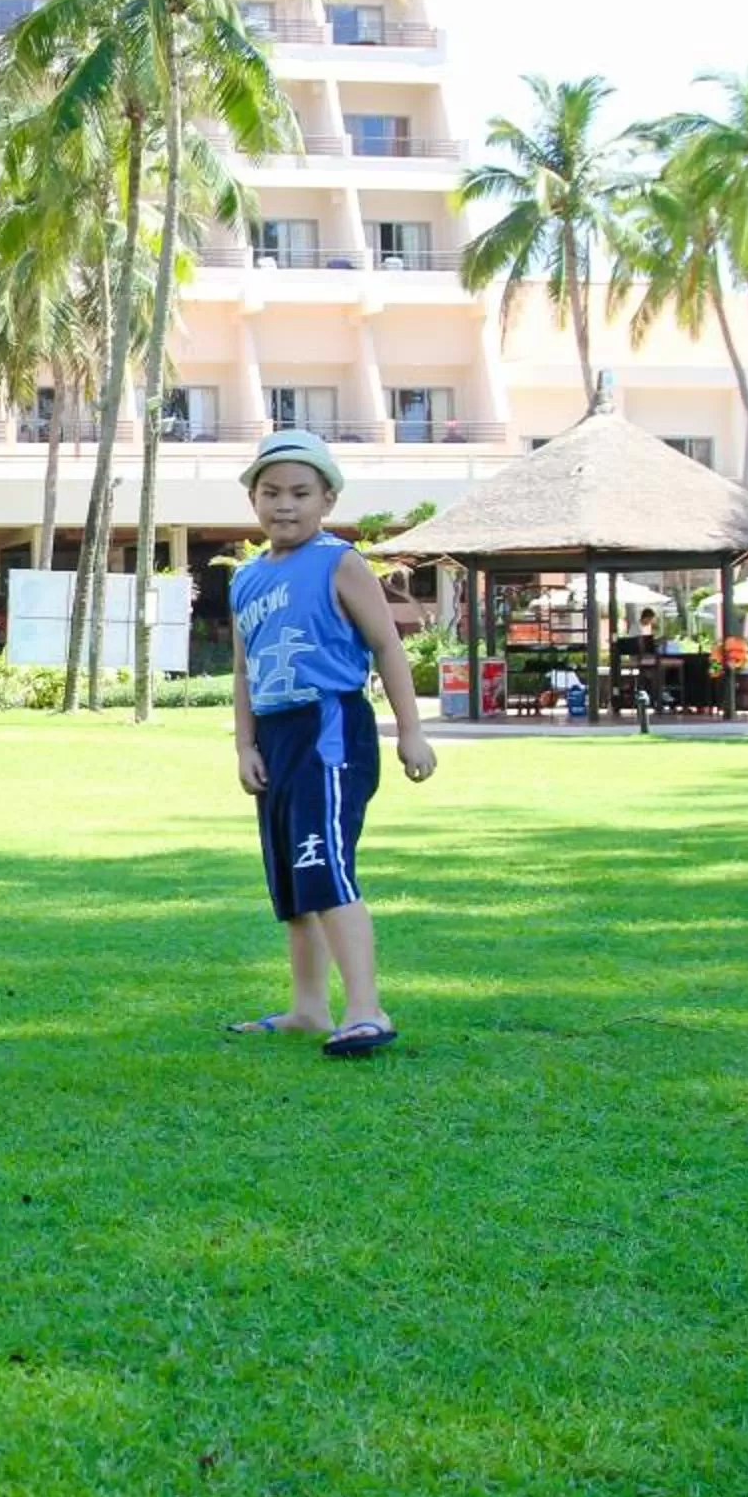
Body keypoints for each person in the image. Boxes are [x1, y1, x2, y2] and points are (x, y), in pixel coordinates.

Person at [222, 430, 438, 1058]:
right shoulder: (245, 580)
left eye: (300, 493)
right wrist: (245, 745)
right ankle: (308, 1008)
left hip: (329, 727)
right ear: (253, 500)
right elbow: (244, 670)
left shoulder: (340, 562)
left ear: (327, 499)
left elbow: (386, 646)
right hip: (276, 736)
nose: (284, 505)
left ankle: (366, 1009)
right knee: (294, 883)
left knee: (326, 868)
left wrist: (411, 732)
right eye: (270, 493)